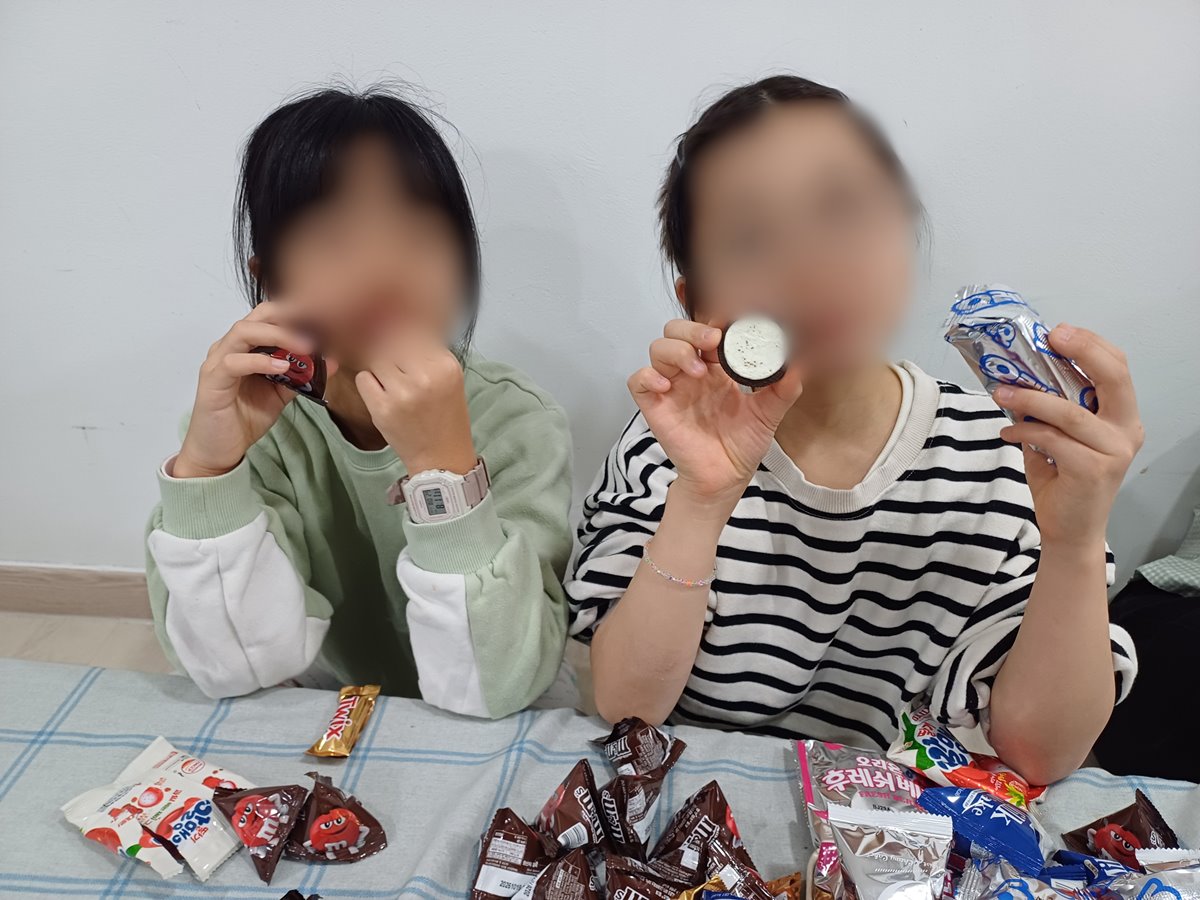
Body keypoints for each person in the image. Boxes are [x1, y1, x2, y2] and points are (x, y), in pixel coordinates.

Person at [566, 75, 1143, 784]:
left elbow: (1037, 756)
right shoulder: (668, 448)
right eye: (750, 237)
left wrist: (1075, 540)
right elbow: (628, 709)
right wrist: (703, 497)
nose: (811, 264)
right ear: (696, 301)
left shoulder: (1005, 457)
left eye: (843, 211)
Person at [145, 86, 572, 718]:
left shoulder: (516, 420)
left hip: (498, 717)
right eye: (335, 238)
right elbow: (234, 670)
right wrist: (208, 472)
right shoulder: (245, 422)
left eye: (418, 234)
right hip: (332, 708)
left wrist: (445, 470)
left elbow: (501, 685)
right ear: (270, 277)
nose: (383, 268)